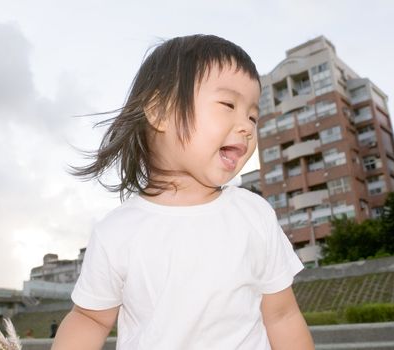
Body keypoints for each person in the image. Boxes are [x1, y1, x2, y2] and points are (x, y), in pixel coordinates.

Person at [51, 34, 314, 350]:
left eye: (252, 116)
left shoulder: (253, 215)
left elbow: (282, 316)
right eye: (228, 105)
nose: (246, 126)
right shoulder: (117, 232)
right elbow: (89, 319)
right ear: (160, 111)